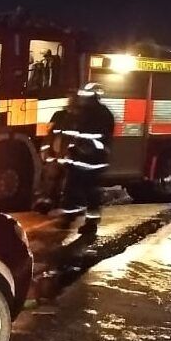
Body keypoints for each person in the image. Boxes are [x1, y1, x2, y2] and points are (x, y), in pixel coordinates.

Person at [54, 82, 115, 235]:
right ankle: (70, 218)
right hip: (81, 160)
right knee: (73, 190)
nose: (83, 100)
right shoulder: (90, 113)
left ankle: (89, 223)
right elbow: (70, 133)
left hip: (91, 161)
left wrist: (79, 147)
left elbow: (98, 137)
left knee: (89, 192)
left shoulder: (98, 114)